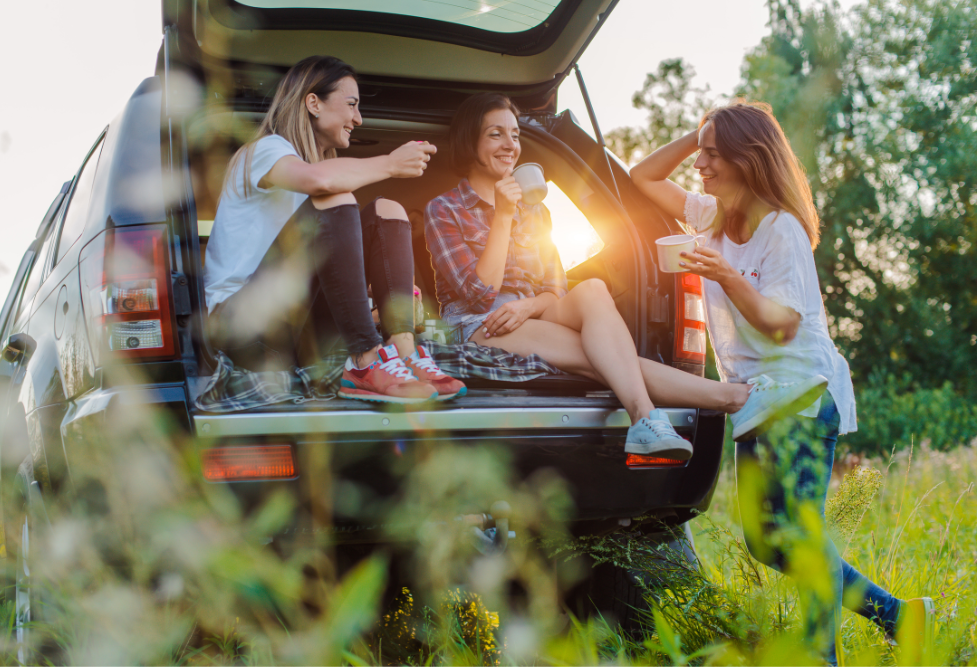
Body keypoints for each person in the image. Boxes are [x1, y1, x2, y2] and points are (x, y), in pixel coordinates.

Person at [629, 99, 933, 663]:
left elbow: (782, 323)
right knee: (768, 543)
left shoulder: (782, 229)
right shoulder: (710, 215)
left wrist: (724, 275)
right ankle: (900, 616)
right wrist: (692, 133)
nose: (701, 164)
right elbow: (641, 176)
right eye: (702, 153)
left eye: (714, 154)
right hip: (753, 400)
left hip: (802, 393)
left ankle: (823, 656)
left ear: (748, 159)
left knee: (797, 532)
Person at [424, 92, 824, 461]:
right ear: (470, 142)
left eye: (514, 134)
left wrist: (531, 304)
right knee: (606, 357)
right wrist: (503, 215)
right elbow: (477, 294)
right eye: (496, 135)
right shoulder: (444, 210)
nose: (511, 145)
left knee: (594, 289)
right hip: (480, 323)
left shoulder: (537, 212)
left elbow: (554, 288)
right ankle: (707, 404)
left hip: (532, 315)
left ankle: (682, 412)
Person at [204, 55, 465, 404]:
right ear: (313, 102)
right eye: (352, 104)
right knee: (335, 194)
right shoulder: (264, 151)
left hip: (295, 325)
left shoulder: (313, 174)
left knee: (388, 209)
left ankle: (404, 352)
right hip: (242, 326)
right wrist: (389, 163)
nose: (358, 118)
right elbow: (319, 181)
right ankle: (365, 360)